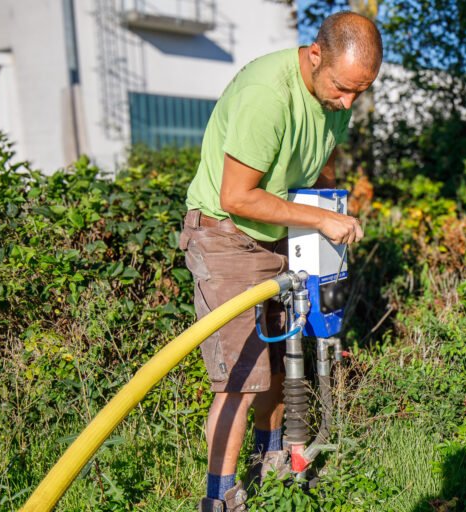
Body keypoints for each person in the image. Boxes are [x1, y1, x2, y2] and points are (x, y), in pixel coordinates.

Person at [178, 11, 383, 512]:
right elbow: (238, 196)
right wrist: (316, 219)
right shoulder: (267, 95)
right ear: (315, 56)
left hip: (278, 233)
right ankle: (220, 496)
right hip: (228, 236)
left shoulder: (336, 93)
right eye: (342, 88)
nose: (349, 102)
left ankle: (273, 464)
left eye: (361, 91)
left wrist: (330, 207)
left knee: (279, 356)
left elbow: (323, 159)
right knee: (241, 378)